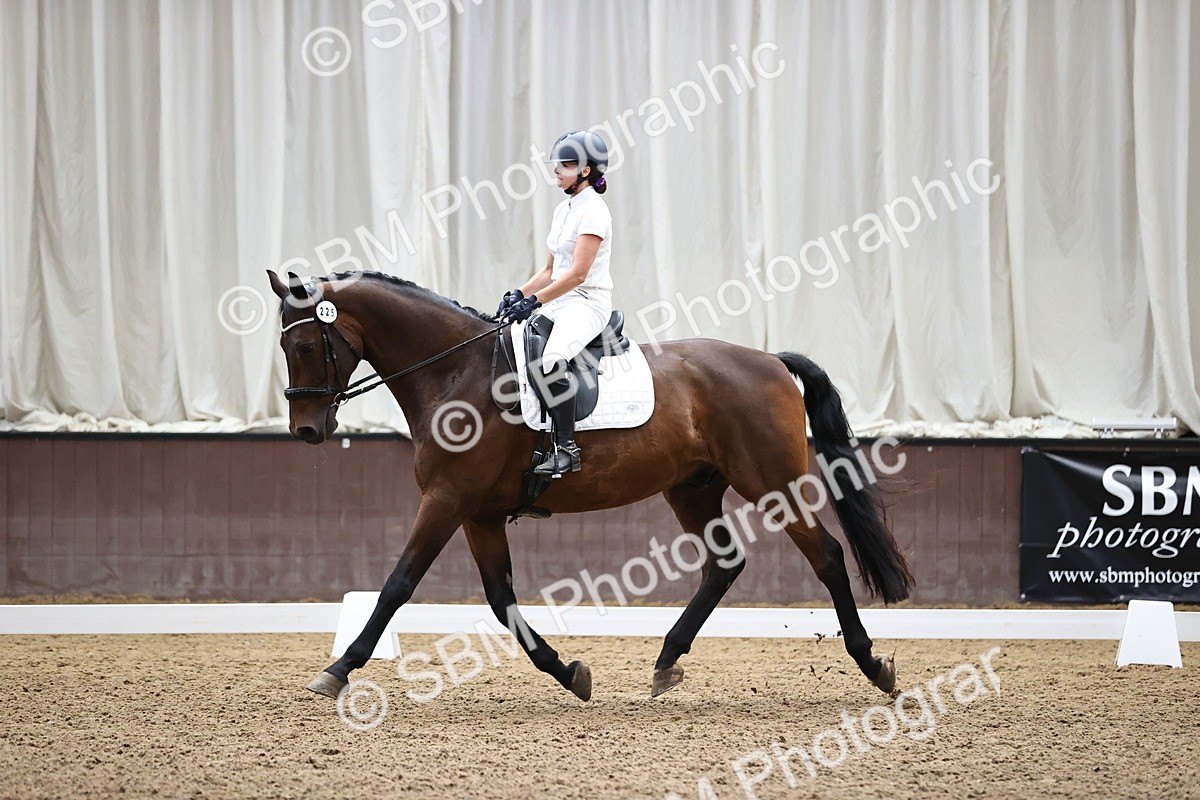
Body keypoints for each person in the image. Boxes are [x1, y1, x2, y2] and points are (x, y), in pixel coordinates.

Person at [498, 130, 613, 477]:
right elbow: (549, 270)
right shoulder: (564, 209)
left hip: (586, 302)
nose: (556, 170)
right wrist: (518, 293)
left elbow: (577, 274)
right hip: (558, 299)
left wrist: (534, 302)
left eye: (565, 165)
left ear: (586, 171)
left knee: (550, 362)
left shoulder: (593, 212)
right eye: (557, 164)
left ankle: (567, 450)